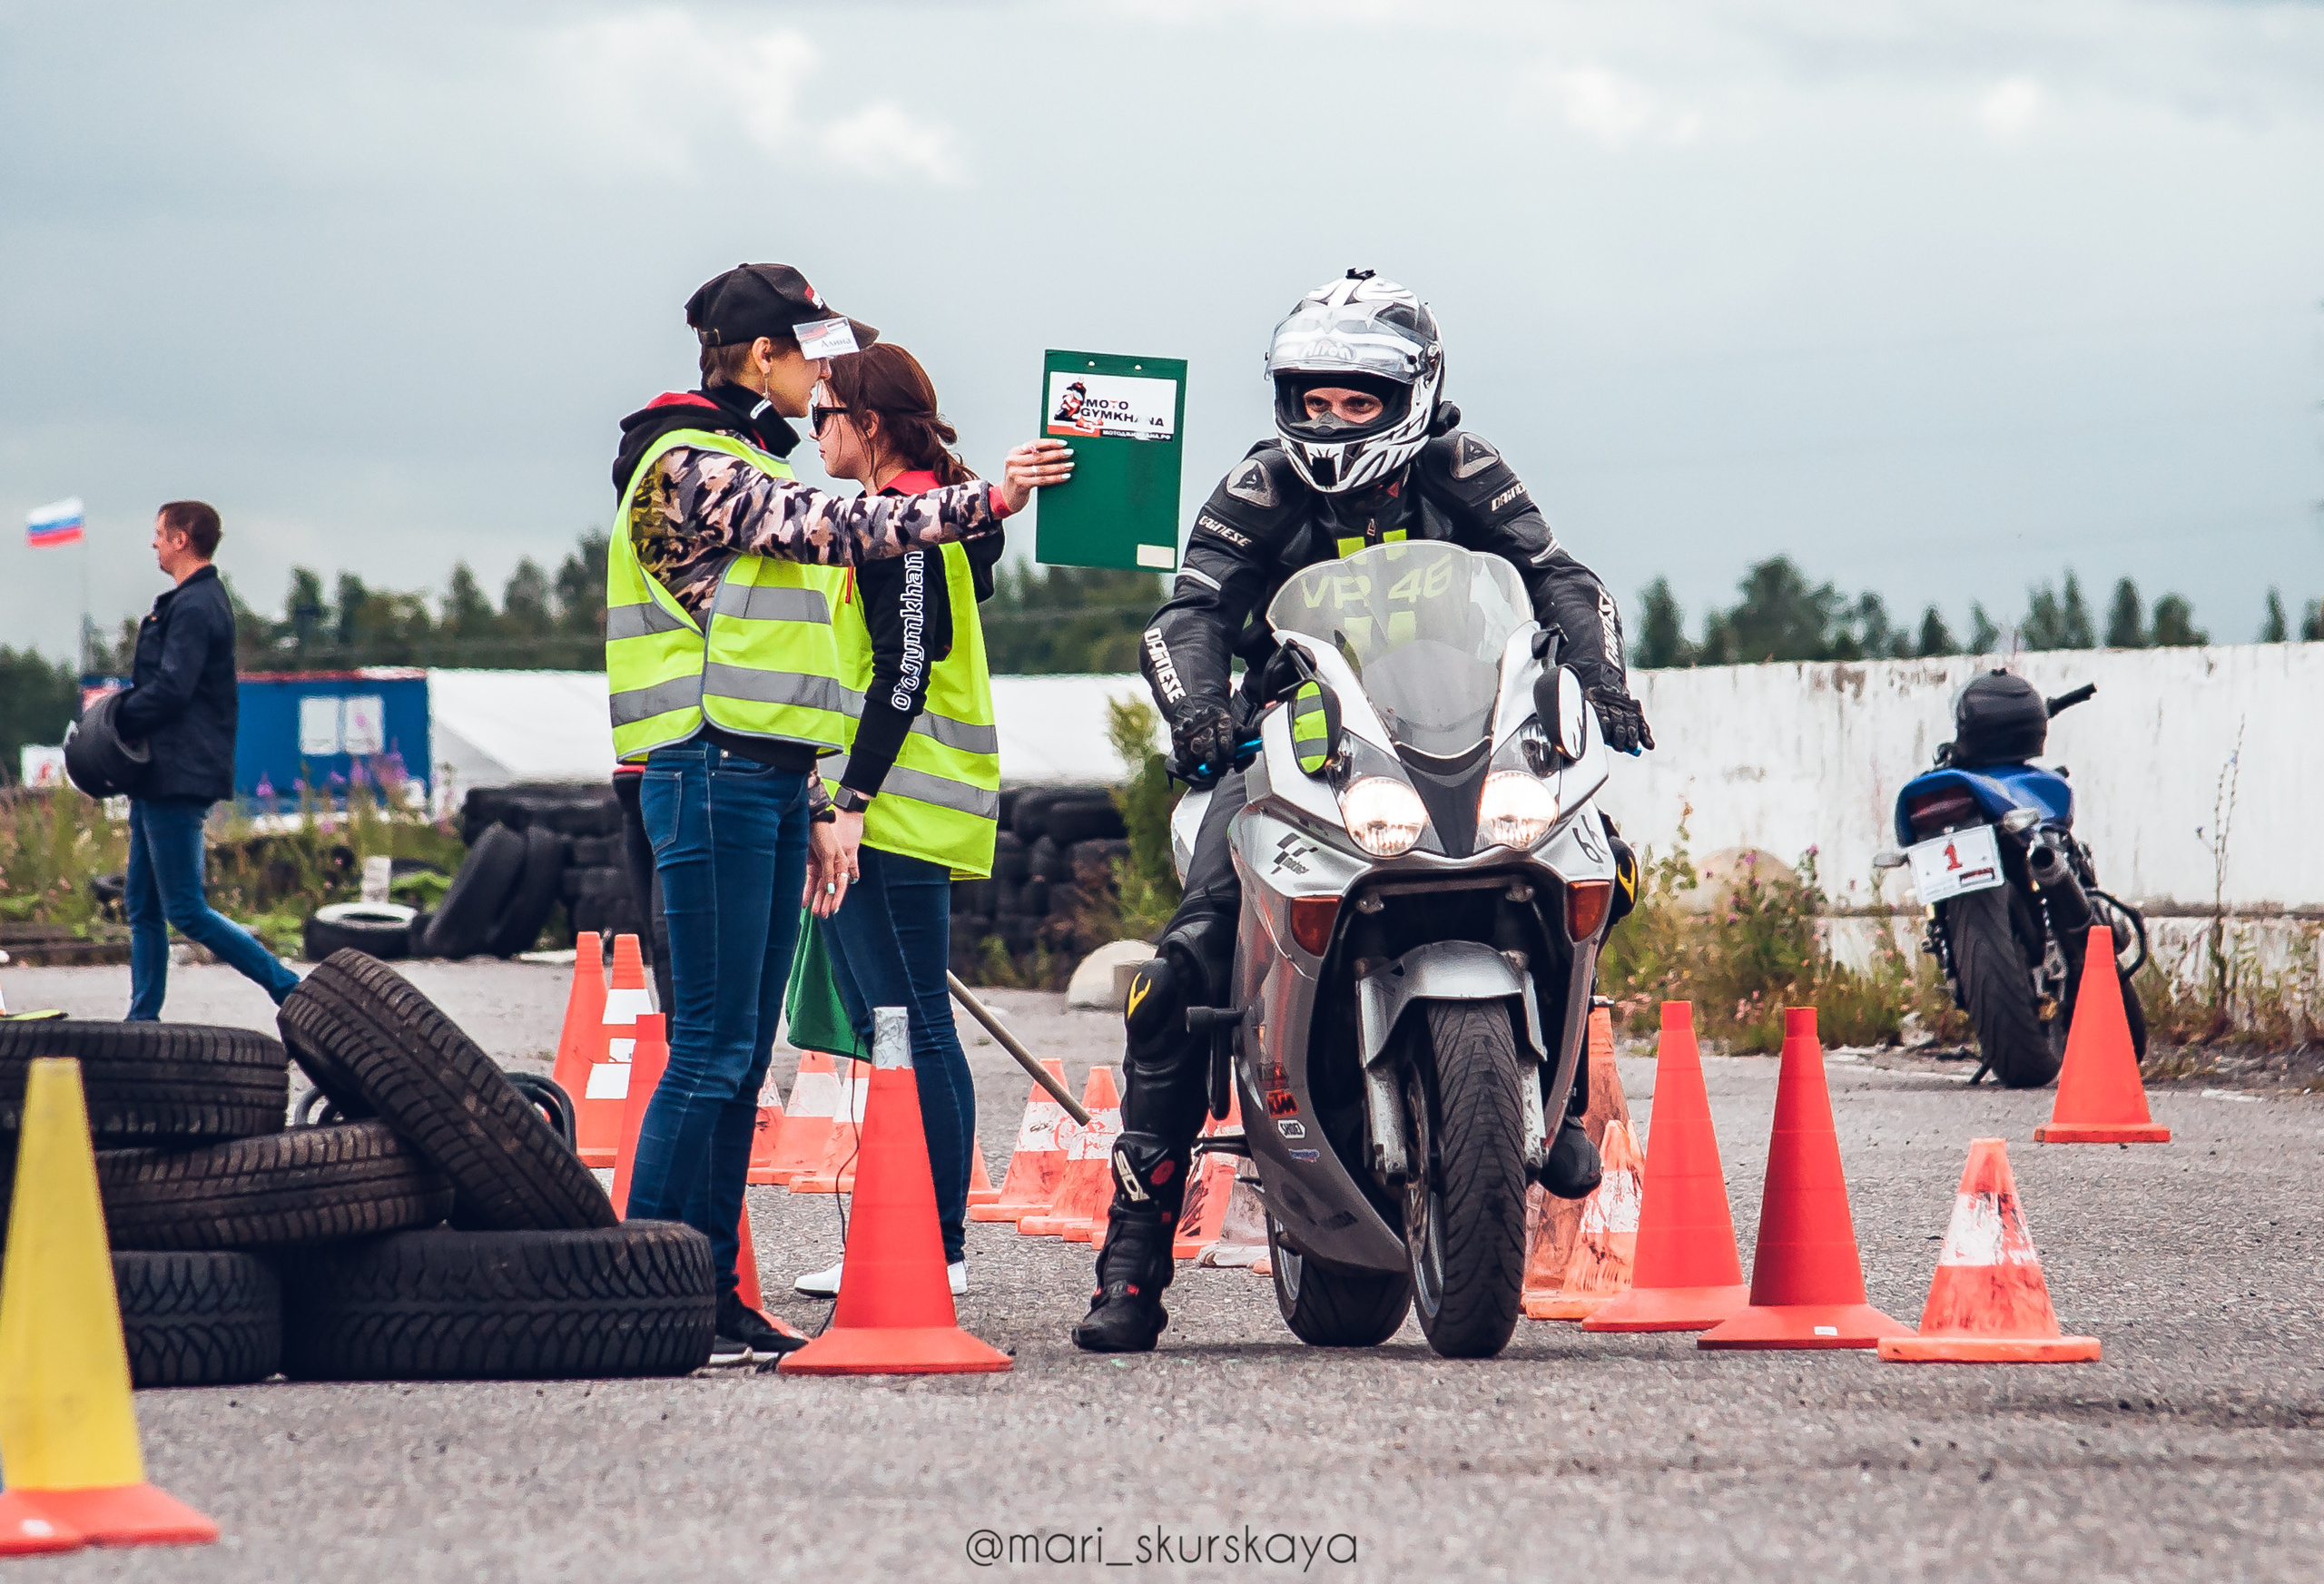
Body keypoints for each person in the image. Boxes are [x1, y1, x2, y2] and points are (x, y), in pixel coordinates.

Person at [1071, 271, 1655, 1353]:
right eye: (1313, 398)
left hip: (1460, 737)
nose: (1332, 419)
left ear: (1413, 394)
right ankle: (1132, 1262)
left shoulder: (1462, 470)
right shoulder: (1260, 487)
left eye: (1358, 399)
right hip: (1294, 750)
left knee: (1601, 865)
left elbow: (1558, 577)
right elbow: (1189, 612)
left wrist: (1603, 680)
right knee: (1177, 974)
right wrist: (1198, 708)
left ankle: (1564, 1097)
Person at [608, 262, 1070, 1365]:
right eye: (810, 353)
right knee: (710, 1050)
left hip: (766, 776)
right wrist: (987, 500)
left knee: (738, 1053)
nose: (823, 374)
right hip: (708, 769)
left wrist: (820, 798)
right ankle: (641, 1290)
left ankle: (712, 1295)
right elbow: (829, 524)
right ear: (762, 355)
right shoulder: (688, 462)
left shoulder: (742, 457)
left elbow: (787, 655)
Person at [787, 344, 1003, 1303]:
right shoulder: (911, 513)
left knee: (910, 1026)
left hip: (897, 817)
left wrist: (852, 801)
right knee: (897, 1025)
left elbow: (905, 673)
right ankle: (911, 1233)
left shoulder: (907, 526)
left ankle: (933, 1242)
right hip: (886, 814)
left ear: (869, 425)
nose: (812, 433)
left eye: (823, 415)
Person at [116, 501, 303, 1020]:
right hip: (156, 774)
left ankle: (290, 989)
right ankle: (142, 1019)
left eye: (159, 533)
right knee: (143, 907)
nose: (153, 542)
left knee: (184, 909)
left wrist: (116, 718)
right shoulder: (186, 602)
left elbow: (173, 688)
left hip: (178, 775)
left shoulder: (197, 606)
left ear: (181, 540)